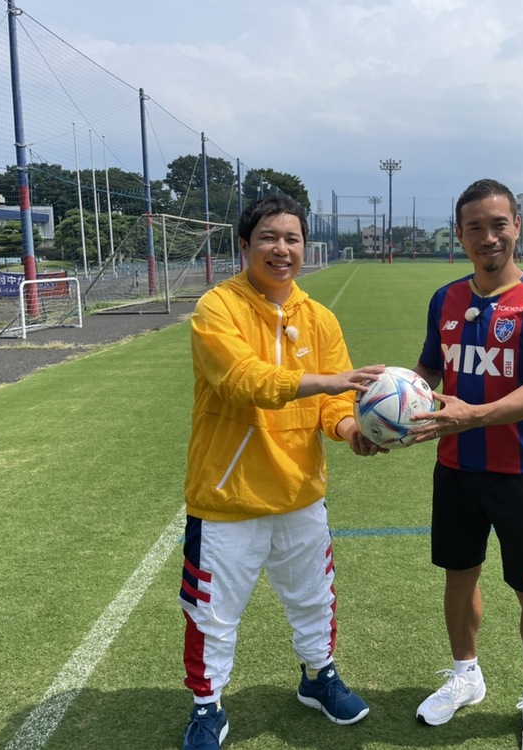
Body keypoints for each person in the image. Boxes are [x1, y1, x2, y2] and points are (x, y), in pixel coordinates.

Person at [179, 194, 384, 750]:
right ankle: (207, 708)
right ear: (245, 245)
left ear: (304, 247)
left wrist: (350, 430)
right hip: (228, 497)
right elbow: (241, 381)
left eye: (292, 238)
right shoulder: (217, 308)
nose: (282, 249)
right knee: (211, 614)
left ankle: (318, 678)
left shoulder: (319, 319)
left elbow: (333, 405)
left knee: (314, 598)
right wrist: (328, 382)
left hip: (300, 494)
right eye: (269, 237)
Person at [412, 179, 523, 750]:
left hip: (519, 472)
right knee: (459, 577)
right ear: (459, 235)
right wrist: (390, 409)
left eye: (499, 224)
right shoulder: (445, 300)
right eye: (474, 227)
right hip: (455, 469)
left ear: (517, 226)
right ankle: (466, 675)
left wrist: (473, 415)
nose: (488, 237)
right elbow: (429, 372)